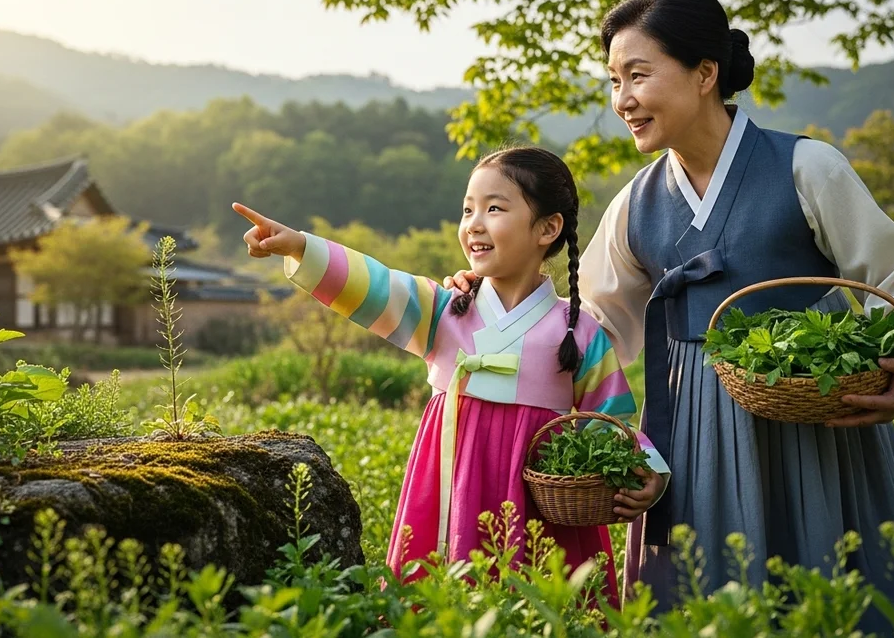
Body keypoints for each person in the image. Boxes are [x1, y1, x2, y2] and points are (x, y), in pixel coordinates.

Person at [443, 0, 894, 630]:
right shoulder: (636, 204)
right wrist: (485, 292)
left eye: (637, 75)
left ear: (705, 73)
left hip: (807, 424)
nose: (622, 99)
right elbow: (582, 326)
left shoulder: (805, 168)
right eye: (613, 80)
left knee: (825, 597)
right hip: (689, 434)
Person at [233, 146, 669, 607]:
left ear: (548, 227)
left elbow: (611, 418)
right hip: (448, 490)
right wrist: (301, 246)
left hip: (541, 512)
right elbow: (375, 285)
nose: (474, 224)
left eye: (494, 208)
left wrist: (650, 471)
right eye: (468, 209)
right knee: (441, 599)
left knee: (541, 609)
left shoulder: (576, 329)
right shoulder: (442, 310)